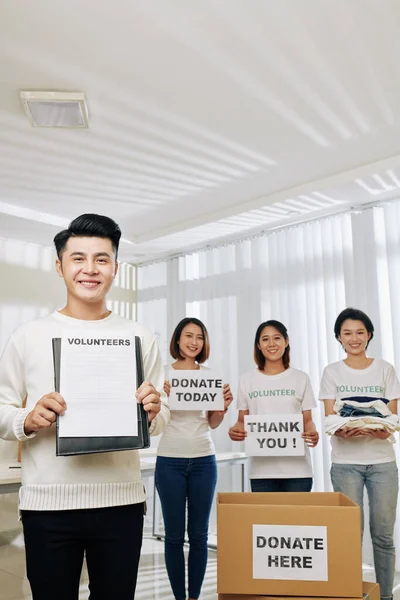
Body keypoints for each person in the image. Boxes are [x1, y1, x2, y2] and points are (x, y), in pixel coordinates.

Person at [0, 214, 169, 600]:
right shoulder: (28, 336)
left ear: (115, 268)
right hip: (48, 505)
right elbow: (1, 408)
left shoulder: (140, 336)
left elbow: (161, 417)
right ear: (59, 266)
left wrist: (156, 409)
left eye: (101, 259)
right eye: (78, 258)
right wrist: (28, 417)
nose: (89, 269)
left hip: (122, 502)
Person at [320, 307, 400, 600]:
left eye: (360, 332)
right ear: (339, 337)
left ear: (369, 335)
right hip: (345, 464)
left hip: (382, 463)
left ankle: (385, 597)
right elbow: (329, 417)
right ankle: (351, 593)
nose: (354, 338)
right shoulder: (332, 372)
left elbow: (393, 415)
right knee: (349, 536)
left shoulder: (385, 369)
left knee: (383, 536)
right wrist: (340, 430)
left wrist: (385, 430)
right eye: (347, 333)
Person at [155, 317, 232, 600]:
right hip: (170, 459)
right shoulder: (162, 375)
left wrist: (223, 407)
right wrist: (160, 399)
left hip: (203, 459)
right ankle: (178, 597)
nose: (194, 342)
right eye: (188, 336)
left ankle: (194, 597)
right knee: (174, 537)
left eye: (199, 337)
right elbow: (155, 421)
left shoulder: (210, 376)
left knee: (199, 536)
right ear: (177, 340)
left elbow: (212, 422)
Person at [229, 319, 319, 492]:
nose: (271, 344)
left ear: (286, 342)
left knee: (296, 519)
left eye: (277, 338)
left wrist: (312, 433)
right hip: (261, 471)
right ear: (259, 345)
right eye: (265, 339)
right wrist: (236, 430)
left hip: (298, 471)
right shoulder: (247, 380)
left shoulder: (301, 378)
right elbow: (242, 420)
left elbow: (307, 420)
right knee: (265, 520)